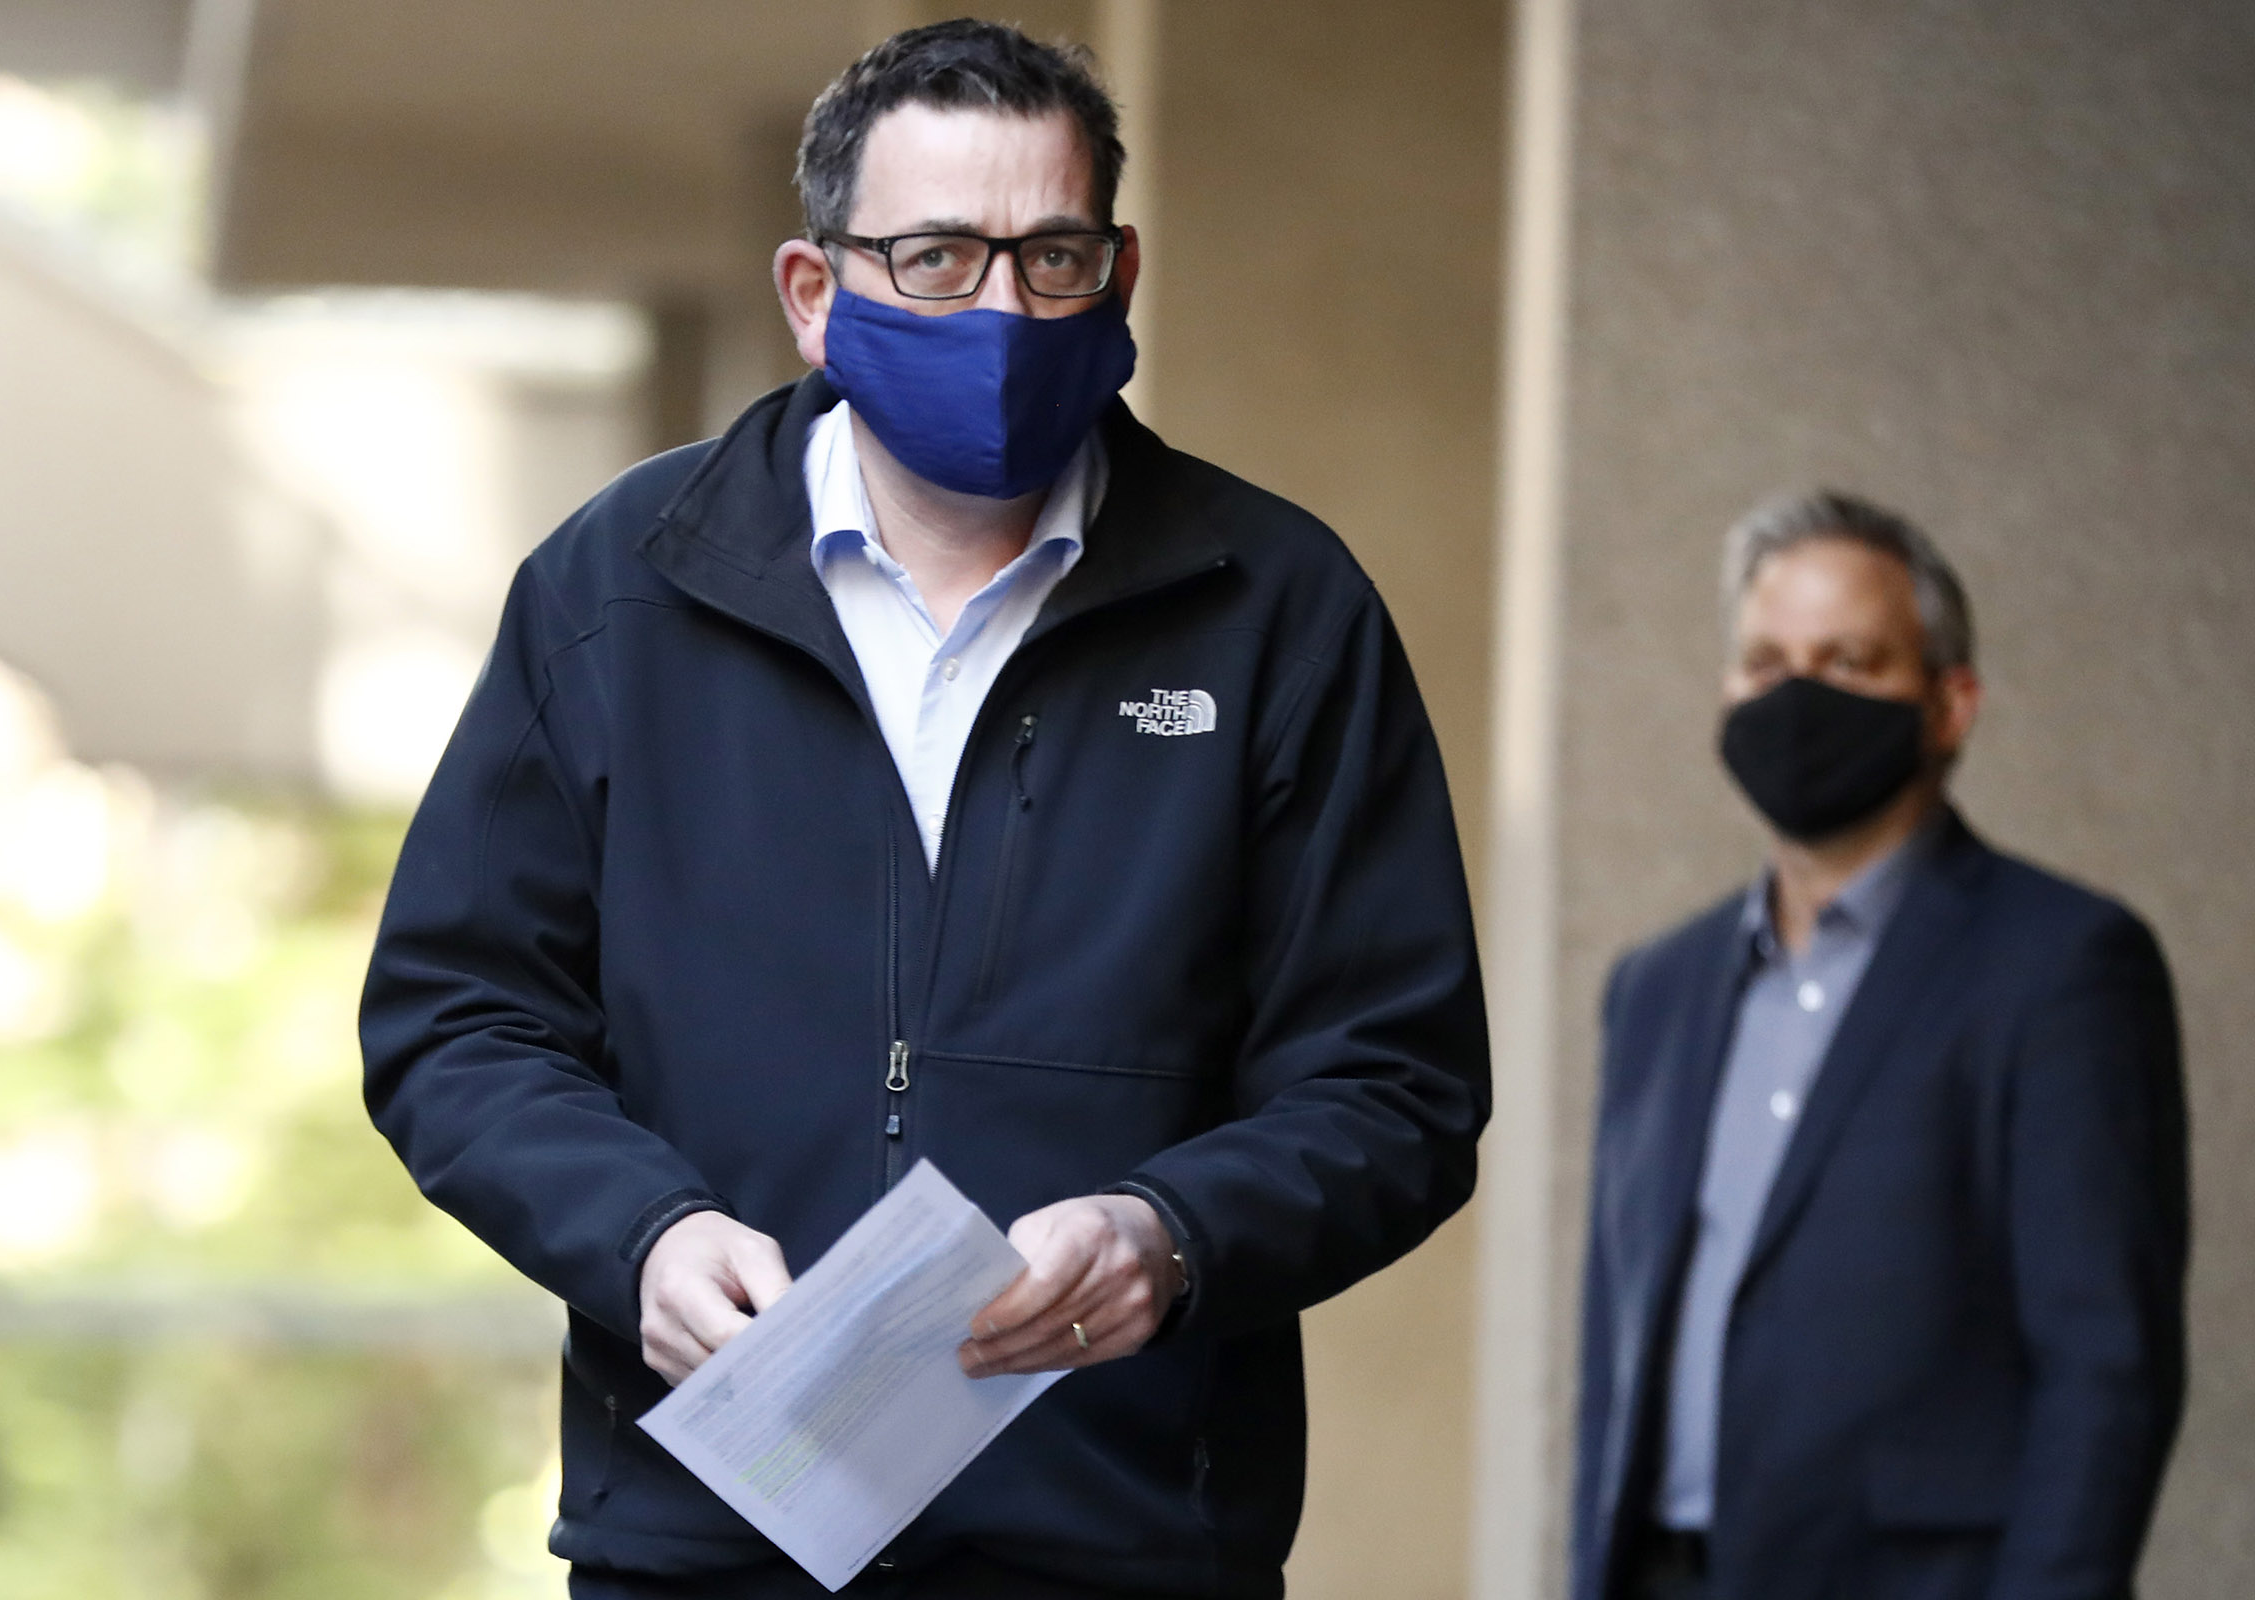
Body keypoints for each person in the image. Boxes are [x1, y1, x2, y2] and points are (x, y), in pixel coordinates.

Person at [361, 21, 1489, 1600]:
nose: (1007, 311)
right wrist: (644, 1240)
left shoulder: (1280, 611)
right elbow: (458, 1019)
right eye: (939, 260)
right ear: (815, 297)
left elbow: (1398, 1082)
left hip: (1131, 1547)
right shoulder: (616, 591)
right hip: (710, 1539)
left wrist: (1172, 1232)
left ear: (1123, 271)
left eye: (1054, 256)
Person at [1569, 491, 2189, 1600]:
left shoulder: (2065, 966)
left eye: (1849, 661)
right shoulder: (1655, 988)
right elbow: (1616, 1356)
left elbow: (2106, 1367)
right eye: (1765, 662)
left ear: (1949, 704)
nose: (1797, 695)